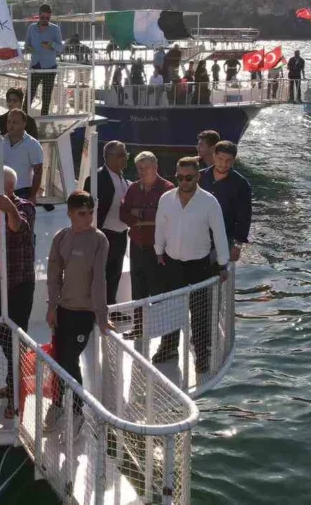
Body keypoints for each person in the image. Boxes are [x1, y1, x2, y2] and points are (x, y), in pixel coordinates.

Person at [152, 158, 230, 372]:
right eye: (179, 177)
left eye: (189, 177)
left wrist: (223, 264)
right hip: (172, 263)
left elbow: (220, 234)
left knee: (200, 312)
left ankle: (202, 355)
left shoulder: (210, 202)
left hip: (199, 266)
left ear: (198, 176)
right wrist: (158, 251)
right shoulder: (166, 199)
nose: (184, 181)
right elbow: (160, 226)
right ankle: (168, 347)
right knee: (171, 309)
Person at [44, 190, 111, 432]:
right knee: (60, 360)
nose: (88, 218)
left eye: (91, 213)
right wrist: (52, 307)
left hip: (84, 312)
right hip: (63, 310)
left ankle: (77, 412)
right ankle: (58, 404)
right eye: (82, 214)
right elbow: (53, 276)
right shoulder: (61, 238)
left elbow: (99, 280)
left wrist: (102, 317)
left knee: (69, 359)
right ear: (70, 214)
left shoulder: (99, 240)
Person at [0, 166, 36, 418]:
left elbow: (19, 227)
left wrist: (8, 209)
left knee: (15, 339)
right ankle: (14, 382)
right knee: (3, 338)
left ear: (9, 187)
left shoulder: (25, 206)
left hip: (19, 285)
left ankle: (16, 394)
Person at [119, 152, 174, 339]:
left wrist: (140, 214)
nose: (143, 172)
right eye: (140, 169)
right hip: (136, 247)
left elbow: (166, 219)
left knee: (161, 292)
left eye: (147, 168)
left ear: (156, 167)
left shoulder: (168, 189)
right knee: (138, 290)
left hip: (158, 250)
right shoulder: (133, 188)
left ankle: (164, 334)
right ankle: (139, 328)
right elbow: (123, 213)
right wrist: (149, 215)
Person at [83, 141, 131, 320]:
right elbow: (86, 209)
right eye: (121, 154)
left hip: (120, 235)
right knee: (98, 275)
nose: (125, 157)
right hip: (103, 234)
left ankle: (110, 309)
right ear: (109, 157)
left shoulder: (123, 178)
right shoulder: (95, 179)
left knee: (114, 273)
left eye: (125, 154)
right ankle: (95, 311)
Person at [199, 141, 252, 263]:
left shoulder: (241, 185)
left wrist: (237, 246)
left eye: (228, 160)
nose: (223, 164)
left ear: (234, 160)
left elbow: (244, 217)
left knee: (218, 273)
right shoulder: (200, 176)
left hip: (224, 239)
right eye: (220, 159)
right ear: (214, 156)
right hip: (197, 235)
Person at [25, 4, 64, 116]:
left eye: (47, 18)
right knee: (29, 96)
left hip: (49, 68)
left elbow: (61, 48)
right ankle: (23, 121)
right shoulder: (31, 28)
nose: (45, 20)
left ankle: (43, 122)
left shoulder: (55, 29)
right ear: (39, 16)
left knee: (46, 98)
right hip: (35, 66)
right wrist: (28, 48)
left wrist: (51, 45)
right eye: (43, 18)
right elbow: (26, 45)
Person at [0, 108, 44, 201]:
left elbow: (38, 171)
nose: (11, 125)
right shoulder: (1, 142)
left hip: (23, 193)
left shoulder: (33, 144)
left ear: (24, 124)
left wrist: (33, 195)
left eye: (15, 122)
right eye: (9, 122)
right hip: (3, 192)